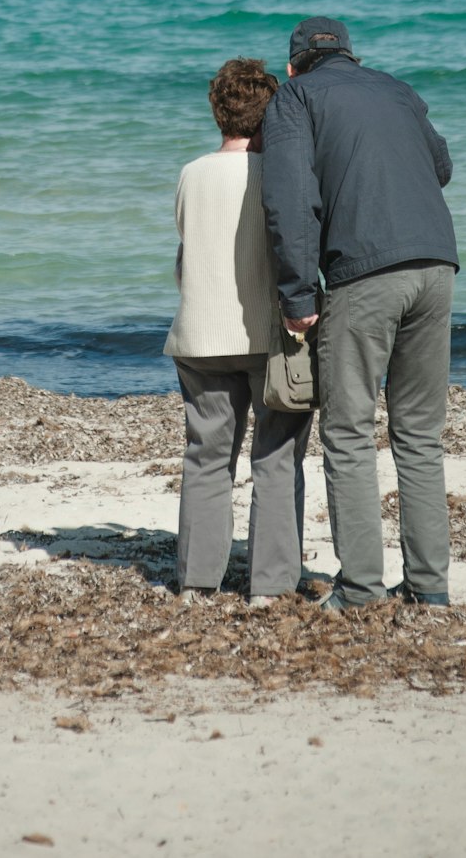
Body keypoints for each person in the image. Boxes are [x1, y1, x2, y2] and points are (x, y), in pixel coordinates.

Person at [260, 17, 458, 611]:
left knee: (347, 432)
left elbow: (290, 201)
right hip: (437, 267)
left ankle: (362, 590)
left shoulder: (295, 97)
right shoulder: (396, 88)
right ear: (352, 55)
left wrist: (296, 296)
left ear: (294, 65)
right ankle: (430, 587)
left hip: (364, 274)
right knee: (420, 435)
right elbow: (441, 168)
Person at [164, 58, 313, 606]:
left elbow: (187, 250)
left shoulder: (191, 172)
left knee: (206, 456)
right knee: (275, 457)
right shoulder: (277, 172)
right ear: (271, 114)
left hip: (200, 333)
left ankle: (197, 581)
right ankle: (270, 587)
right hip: (264, 333)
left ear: (217, 112)